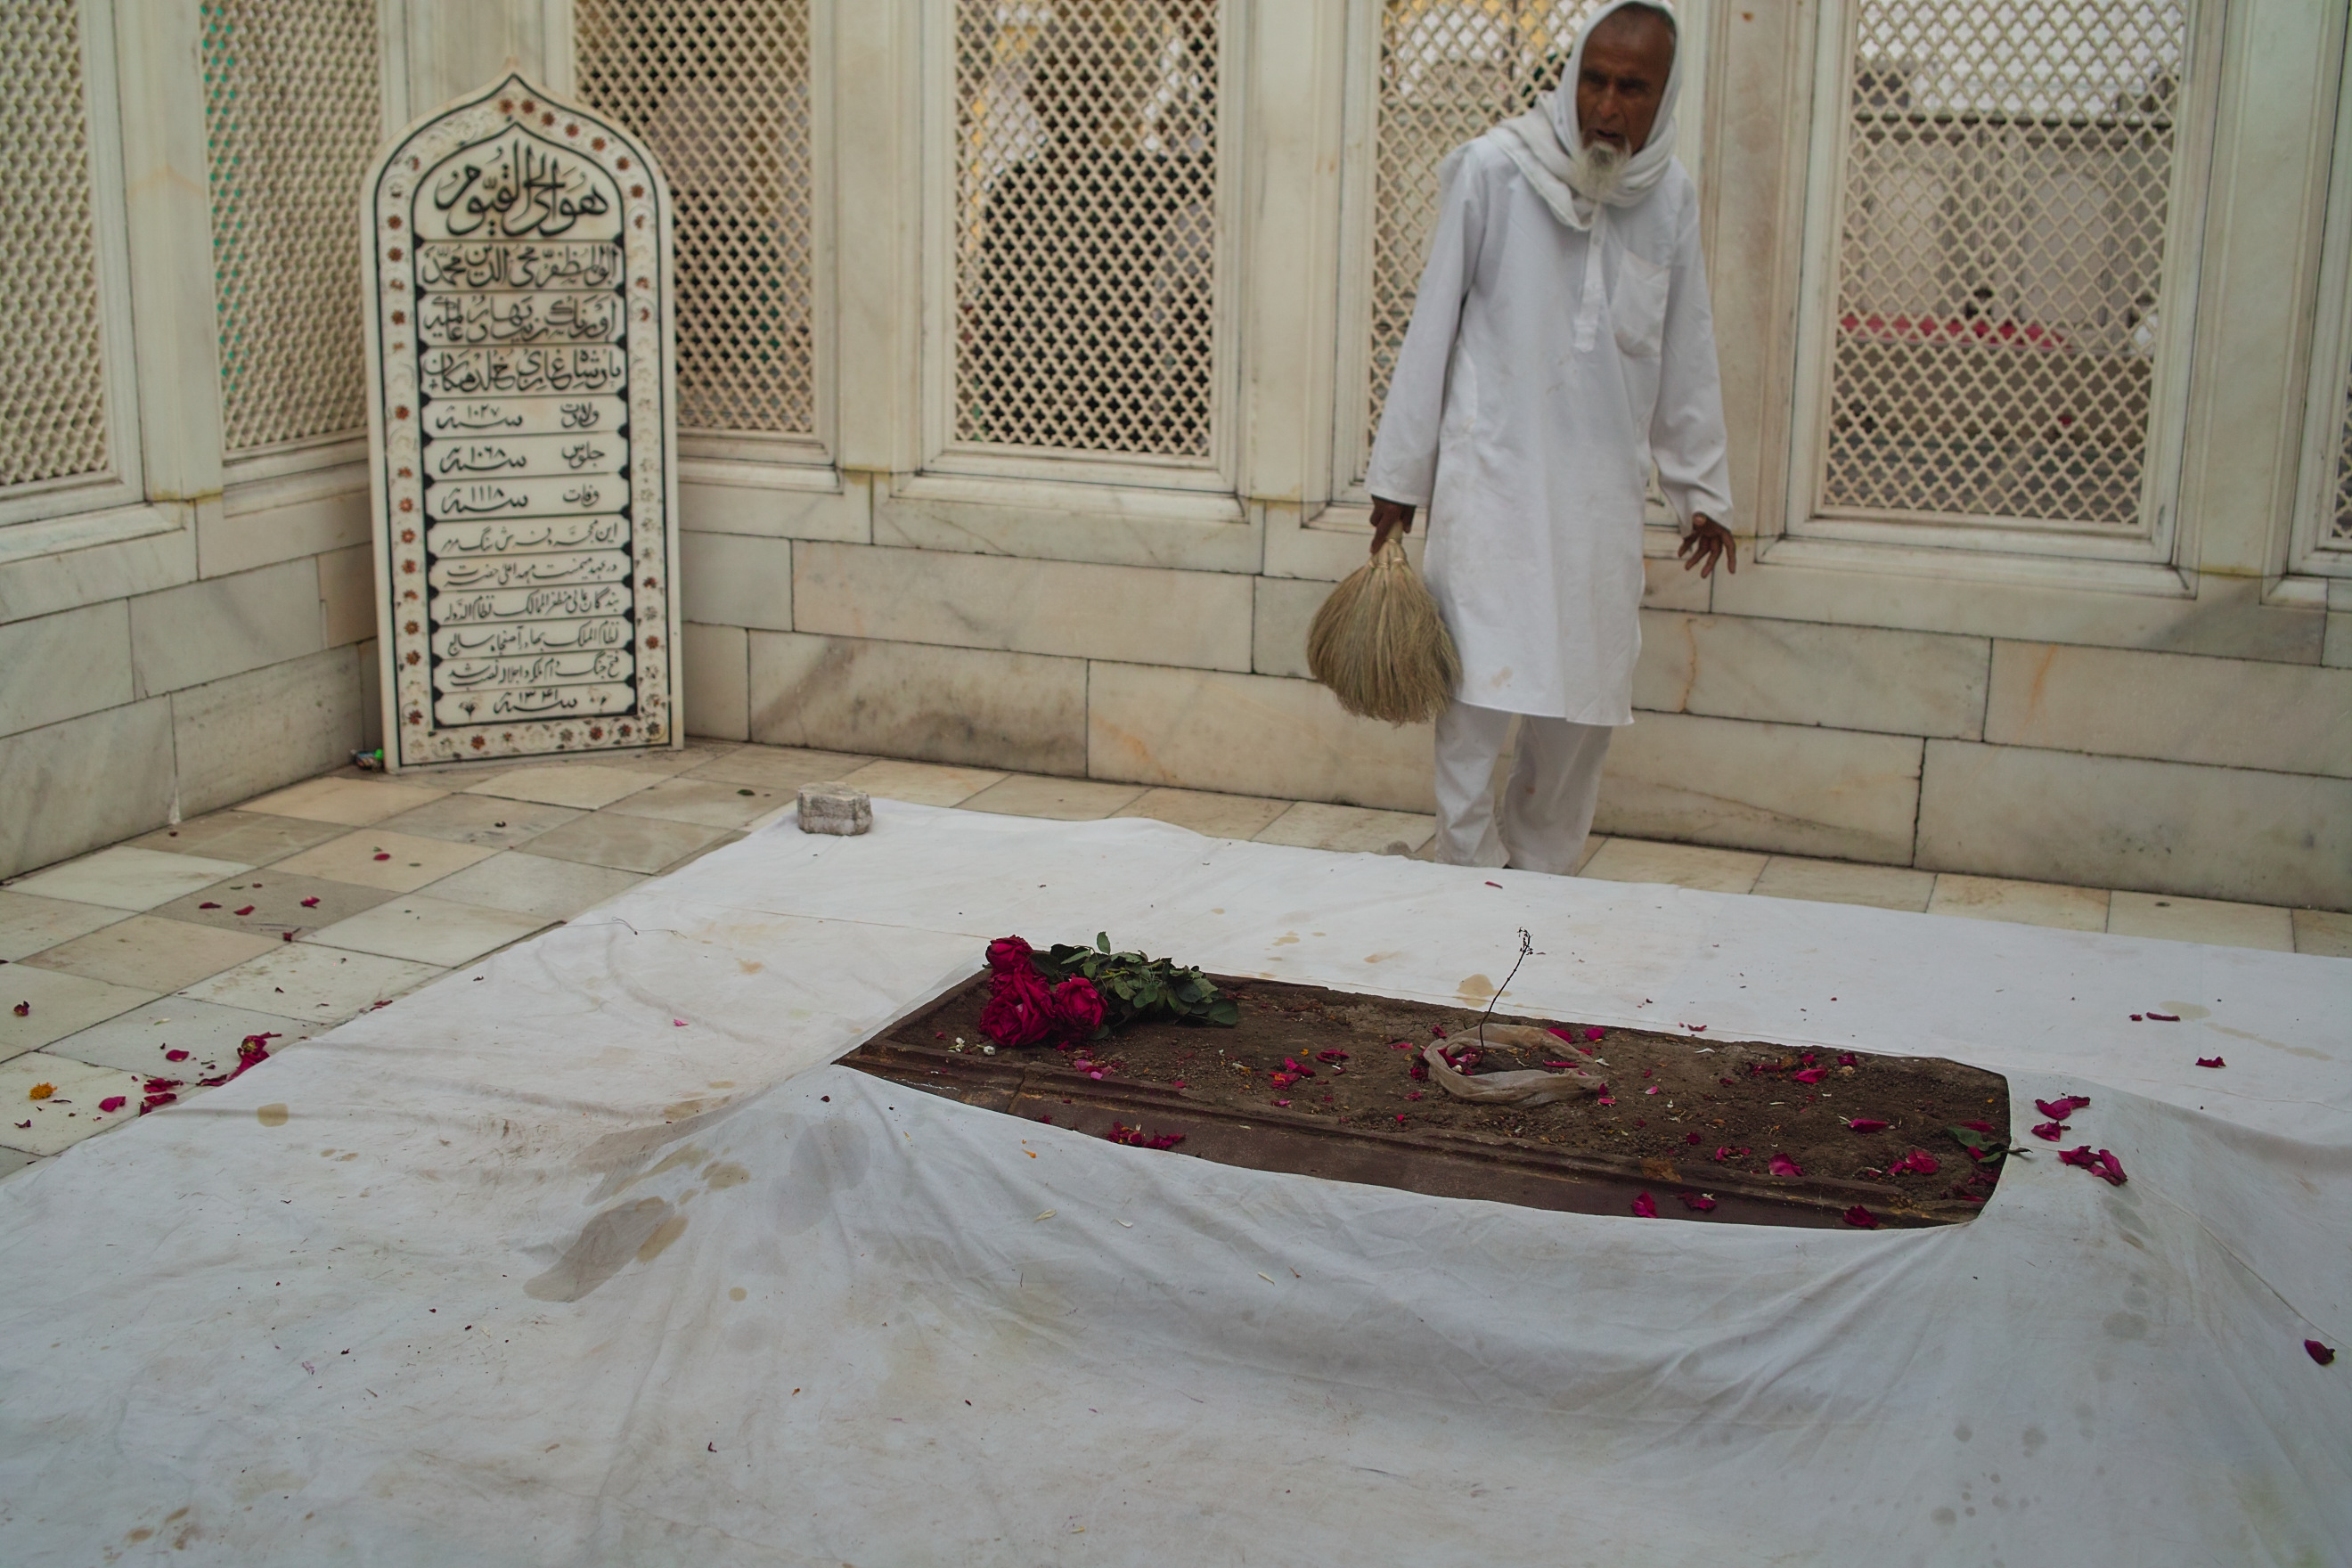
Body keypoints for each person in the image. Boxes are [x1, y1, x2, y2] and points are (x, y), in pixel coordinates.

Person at [1365, 0, 1733, 873]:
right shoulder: (1494, 170)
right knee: (1475, 689)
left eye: (1632, 88)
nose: (1607, 106)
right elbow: (1431, 325)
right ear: (1569, 80)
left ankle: (1543, 875)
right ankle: (1467, 865)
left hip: (1598, 504)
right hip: (1491, 486)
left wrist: (1701, 491)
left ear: (1664, 96)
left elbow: (1686, 344)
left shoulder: (1670, 197)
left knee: (1582, 700)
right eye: (1594, 81)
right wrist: (1400, 479)